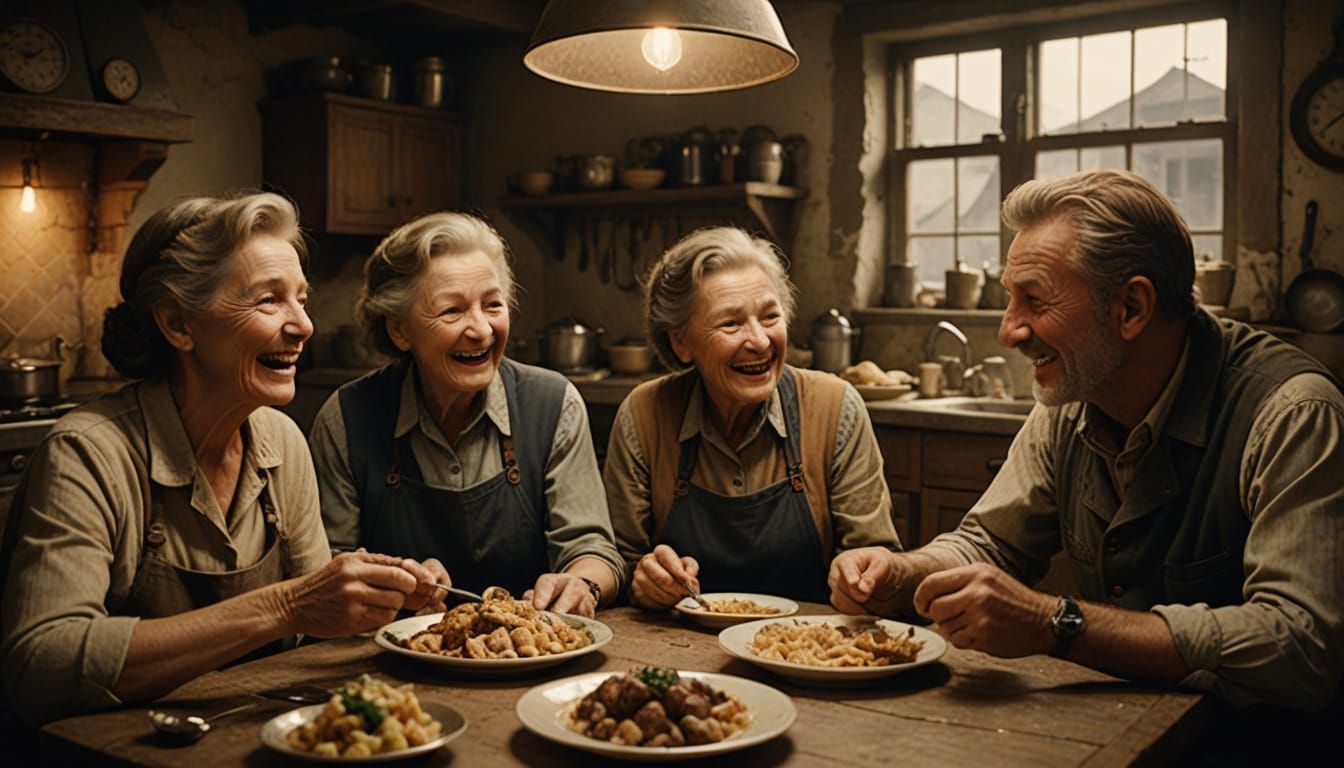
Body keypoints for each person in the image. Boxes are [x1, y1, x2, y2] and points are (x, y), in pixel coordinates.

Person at [830, 170, 1344, 753]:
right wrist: (903, 573)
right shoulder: (1072, 396)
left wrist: (1058, 622)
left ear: (1131, 307)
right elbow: (991, 544)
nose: (1008, 331)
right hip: (1124, 732)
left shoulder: (1292, 412)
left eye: (1034, 299)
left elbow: (1303, 648)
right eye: (1008, 298)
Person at [0, 193, 448, 727]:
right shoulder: (88, 453)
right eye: (268, 301)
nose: (303, 325)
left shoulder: (282, 441)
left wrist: (383, 602)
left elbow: (312, 626)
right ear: (179, 325)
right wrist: (286, 606)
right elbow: (40, 665)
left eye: (301, 299)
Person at [309, 211, 622, 618]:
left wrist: (582, 584)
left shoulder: (553, 404)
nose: (481, 330)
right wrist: (396, 582)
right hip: (392, 664)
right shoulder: (347, 418)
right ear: (399, 331)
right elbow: (328, 572)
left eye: (492, 305)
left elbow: (593, 549)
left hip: (530, 659)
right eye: (452, 311)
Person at [606, 227, 901, 608]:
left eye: (770, 316)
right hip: (680, 648)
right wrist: (643, 579)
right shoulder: (645, 415)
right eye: (731, 323)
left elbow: (877, 559)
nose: (760, 341)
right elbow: (618, 560)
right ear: (680, 343)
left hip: (807, 651)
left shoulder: (835, 407)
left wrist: (863, 576)